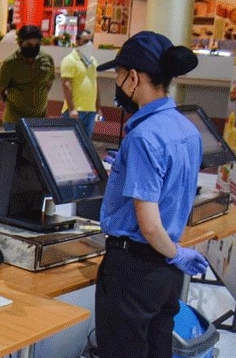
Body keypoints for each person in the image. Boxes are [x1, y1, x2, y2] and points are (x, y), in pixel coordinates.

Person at [94, 31, 207, 358]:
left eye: (117, 75)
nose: (116, 83)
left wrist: (170, 251)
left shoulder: (143, 136)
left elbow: (150, 225)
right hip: (165, 275)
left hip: (133, 270)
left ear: (134, 77)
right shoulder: (186, 128)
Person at [0, 24, 55, 127]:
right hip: (15, 121)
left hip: (39, 120)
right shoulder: (10, 63)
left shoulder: (47, 60)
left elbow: (48, 85)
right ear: (20, 44)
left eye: (36, 45)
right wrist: (13, 103)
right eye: (29, 45)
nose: (33, 48)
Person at [60, 29, 99, 136]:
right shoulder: (70, 60)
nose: (89, 44)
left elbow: (94, 83)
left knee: (86, 144)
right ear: (77, 42)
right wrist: (72, 109)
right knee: (70, 142)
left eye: (91, 41)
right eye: (86, 41)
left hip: (90, 110)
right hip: (75, 111)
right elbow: (66, 84)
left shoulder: (92, 61)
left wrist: (98, 107)